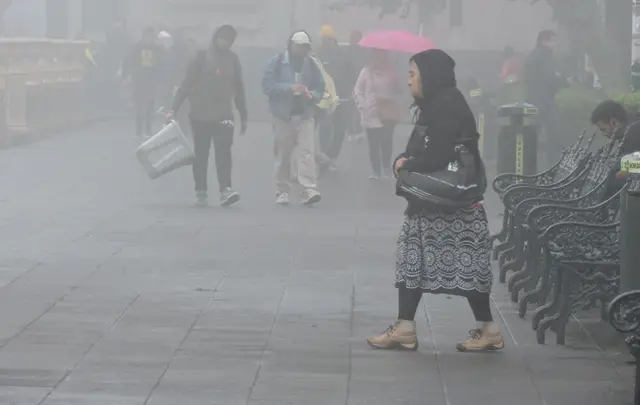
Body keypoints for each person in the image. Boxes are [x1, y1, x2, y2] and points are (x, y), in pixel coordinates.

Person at [367, 49, 504, 352]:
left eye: (413, 74)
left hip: (447, 203)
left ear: (430, 76)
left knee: (456, 264)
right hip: (441, 204)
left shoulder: (446, 105)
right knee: (425, 261)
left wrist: (407, 164)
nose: (408, 81)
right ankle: (408, 327)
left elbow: (438, 153)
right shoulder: (441, 102)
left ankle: (485, 328)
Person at [167, 25, 247, 207]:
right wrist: (174, 108)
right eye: (222, 37)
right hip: (200, 114)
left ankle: (226, 189)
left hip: (224, 115)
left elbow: (239, 88)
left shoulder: (233, 60)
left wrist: (243, 113)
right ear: (215, 37)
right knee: (201, 155)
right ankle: (200, 191)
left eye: (229, 39)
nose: (225, 42)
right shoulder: (201, 58)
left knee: (224, 152)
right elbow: (186, 84)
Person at [261, 30, 325, 206]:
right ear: (291, 45)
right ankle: (282, 190)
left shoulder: (311, 64)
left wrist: (311, 95)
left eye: (305, 47)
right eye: (299, 46)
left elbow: (321, 86)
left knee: (307, 153)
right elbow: (267, 86)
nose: (302, 50)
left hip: (305, 115)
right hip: (283, 116)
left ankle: (309, 189)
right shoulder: (276, 62)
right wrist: (290, 88)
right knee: (283, 154)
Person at [353, 49, 402, 180]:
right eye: (376, 55)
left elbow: (399, 90)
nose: (379, 58)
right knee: (373, 143)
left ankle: (386, 168)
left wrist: (395, 79)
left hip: (387, 111)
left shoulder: (391, 71)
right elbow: (358, 90)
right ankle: (376, 170)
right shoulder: (366, 72)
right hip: (371, 112)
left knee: (386, 140)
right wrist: (363, 105)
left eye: (382, 55)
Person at [523, 30, 567, 163]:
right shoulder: (541, 57)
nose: (554, 44)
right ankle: (548, 163)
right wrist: (562, 81)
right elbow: (547, 78)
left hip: (539, 98)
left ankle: (531, 162)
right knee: (549, 132)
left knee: (539, 132)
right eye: (552, 40)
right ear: (543, 41)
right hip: (543, 100)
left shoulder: (540, 55)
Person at [316, 25, 353, 170]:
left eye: (328, 39)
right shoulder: (318, 55)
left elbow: (351, 73)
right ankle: (324, 159)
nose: (326, 42)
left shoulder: (343, 54)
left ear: (333, 39)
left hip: (342, 97)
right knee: (324, 130)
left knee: (339, 131)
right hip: (325, 99)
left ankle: (332, 157)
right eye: (323, 39)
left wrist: (350, 90)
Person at [590, 100, 640, 197]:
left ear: (614, 122)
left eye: (603, 129)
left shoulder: (633, 131)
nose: (604, 134)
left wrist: (617, 171)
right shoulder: (632, 126)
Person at [122, 27, 164, 138]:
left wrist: (161, 79)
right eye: (147, 37)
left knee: (150, 106)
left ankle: (148, 130)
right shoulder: (136, 48)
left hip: (151, 81)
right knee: (139, 107)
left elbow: (162, 65)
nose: (149, 39)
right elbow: (128, 61)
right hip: (139, 81)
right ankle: (139, 131)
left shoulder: (157, 50)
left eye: (151, 37)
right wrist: (125, 75)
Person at [346, 29, 365, 142]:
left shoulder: (357, 50)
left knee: (356, 108)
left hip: (356, 82)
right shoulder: (353, 51)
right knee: (354, 108)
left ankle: (355, 131)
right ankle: (353, 131)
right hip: (351, 82)